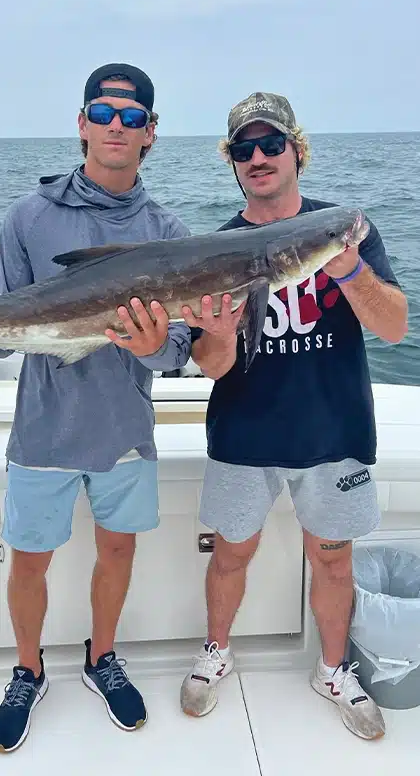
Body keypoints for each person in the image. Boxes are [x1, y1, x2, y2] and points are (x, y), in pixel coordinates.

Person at [0, 63, 193, 753]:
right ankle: (28, 669)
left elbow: (177, 350)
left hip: (125, 428)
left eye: (132, 117)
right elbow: (1, 328)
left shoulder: (169, 231)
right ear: (81, 124)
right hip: (43, 427)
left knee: (117, 549)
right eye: (102, 113)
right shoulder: (29, 216)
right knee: (30, 560)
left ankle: (102, 657)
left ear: (151, 134)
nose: (116, 126)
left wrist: (156, 345)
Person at [179, 91, 408, 741]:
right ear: (232, 161)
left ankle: (332, 670)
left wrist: (349, 270)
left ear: (296, 151)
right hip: (243, 434)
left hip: (333, 432)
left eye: (271, 143)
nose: (258, 157)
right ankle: (216, 651)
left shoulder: (345, 230)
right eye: (243, 148)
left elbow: (395, 326)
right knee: (230, 556)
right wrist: (218, 331)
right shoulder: (215, 249)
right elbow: (212, 367)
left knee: (333, 561)